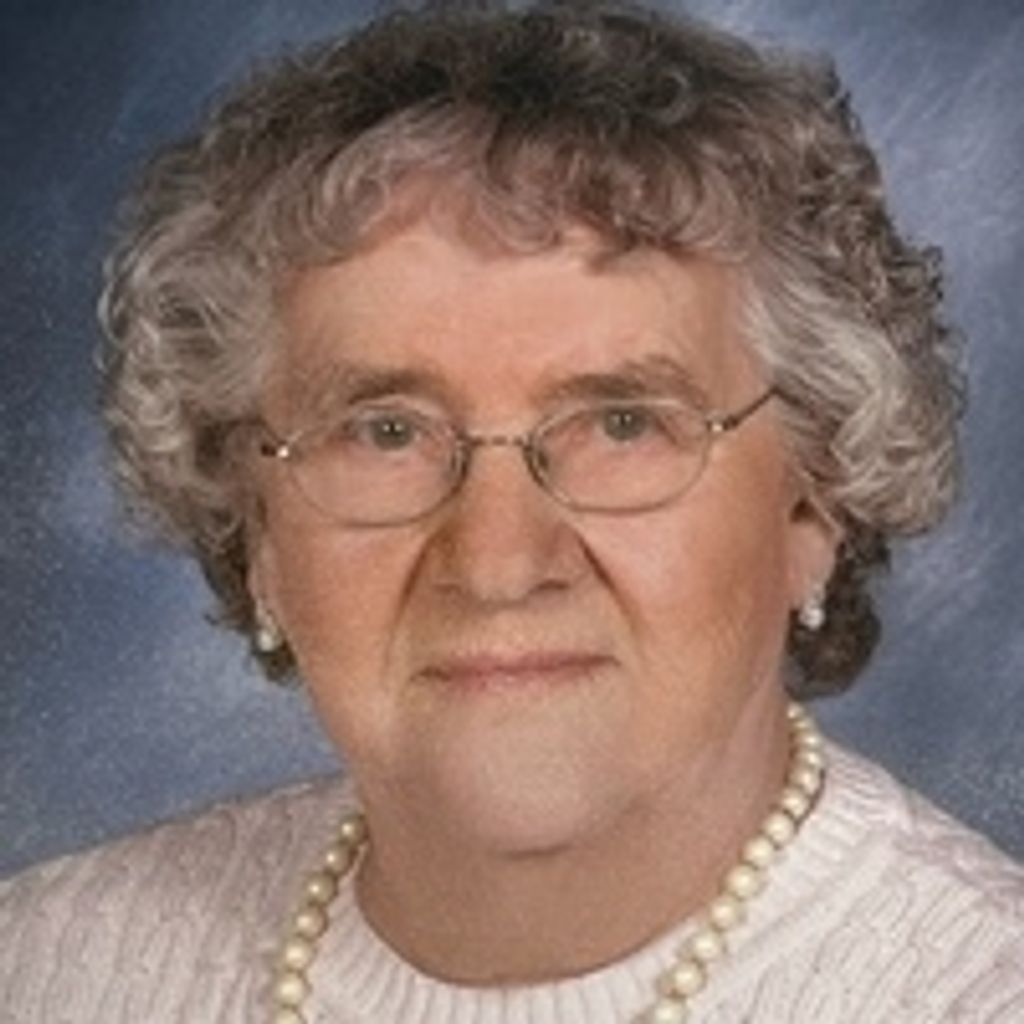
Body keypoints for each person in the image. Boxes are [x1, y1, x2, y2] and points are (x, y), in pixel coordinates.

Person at [2, 1, 1022, 1021]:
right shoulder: (44, 968)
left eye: (622, 423)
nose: (497, 562)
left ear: (814, 508)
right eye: (385, 432)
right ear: (256, 532)